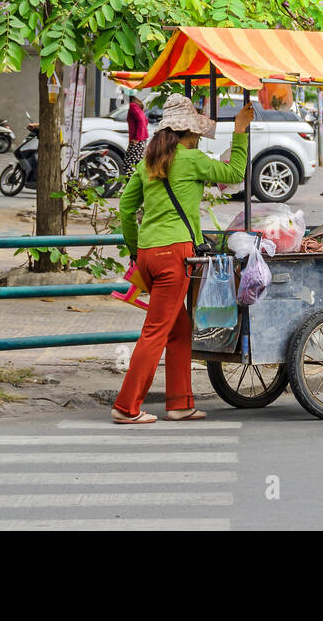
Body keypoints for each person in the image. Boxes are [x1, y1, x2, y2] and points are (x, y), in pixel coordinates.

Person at [113, 94, 253, 423]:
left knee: (179, 331)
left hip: (147, 256)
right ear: (189, 133)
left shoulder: (149, 159)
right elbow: (234, 173)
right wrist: (241, 131)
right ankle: (126, 406)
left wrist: (135, 249)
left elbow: (124, 208)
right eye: (197, 135)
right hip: (174, 256)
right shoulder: (190, 159)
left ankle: (180, 403)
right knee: (156, 332)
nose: (199, 139)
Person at [123, 97, 149, 176]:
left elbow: (141, 121)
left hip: (137, 140)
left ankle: (131, 184)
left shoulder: (132, 106)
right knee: (139, 163)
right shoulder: (137, 106)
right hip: (142, 139)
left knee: (128, 165)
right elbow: (145, 121)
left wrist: (137, 138)